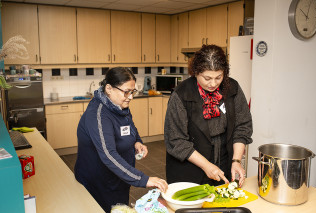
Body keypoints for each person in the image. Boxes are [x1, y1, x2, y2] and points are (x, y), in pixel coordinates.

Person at [75, 67, 168, 212]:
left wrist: (137, 140)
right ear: (109, 88)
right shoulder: (98, 115)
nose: (130, 97)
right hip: (99, 182)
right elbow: (108, 155)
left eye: (132, 92)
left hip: (119, 177)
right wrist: (144, 180)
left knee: (121, 207)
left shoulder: (119, 104)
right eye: (126, 92)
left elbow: (129, 126)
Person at [164, 45, 253, 188]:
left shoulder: (232, 88)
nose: (213, 83)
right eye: (207, 78)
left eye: (218, 77)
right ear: (196, 72)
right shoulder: (181, 94)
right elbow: (176, 140)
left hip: (223, 164)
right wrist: (206, 166)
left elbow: (242, 126)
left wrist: (236, 161)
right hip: (189, 169)